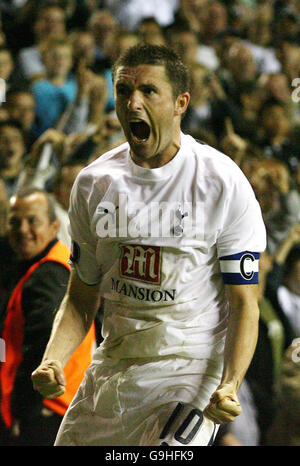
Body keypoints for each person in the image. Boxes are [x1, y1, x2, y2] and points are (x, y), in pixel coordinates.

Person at [31, 43, 266, 447]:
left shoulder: (220, 181)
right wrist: (54, 358)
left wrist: (230, 384)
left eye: (148, 91)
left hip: (188, 372)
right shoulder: (93, 183)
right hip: (114, 366)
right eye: (123, 91)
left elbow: (244, 303)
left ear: (180, 103)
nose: (132, 103)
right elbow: (80, 297)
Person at [0, 187, 95, 445]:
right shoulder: (48, 263)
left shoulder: (49, 274)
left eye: (32, 221)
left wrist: (22, 411)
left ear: (54, 226)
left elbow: (39, 348)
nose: (22, 229)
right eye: (14, 221)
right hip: (51, 406)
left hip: (44, 409)